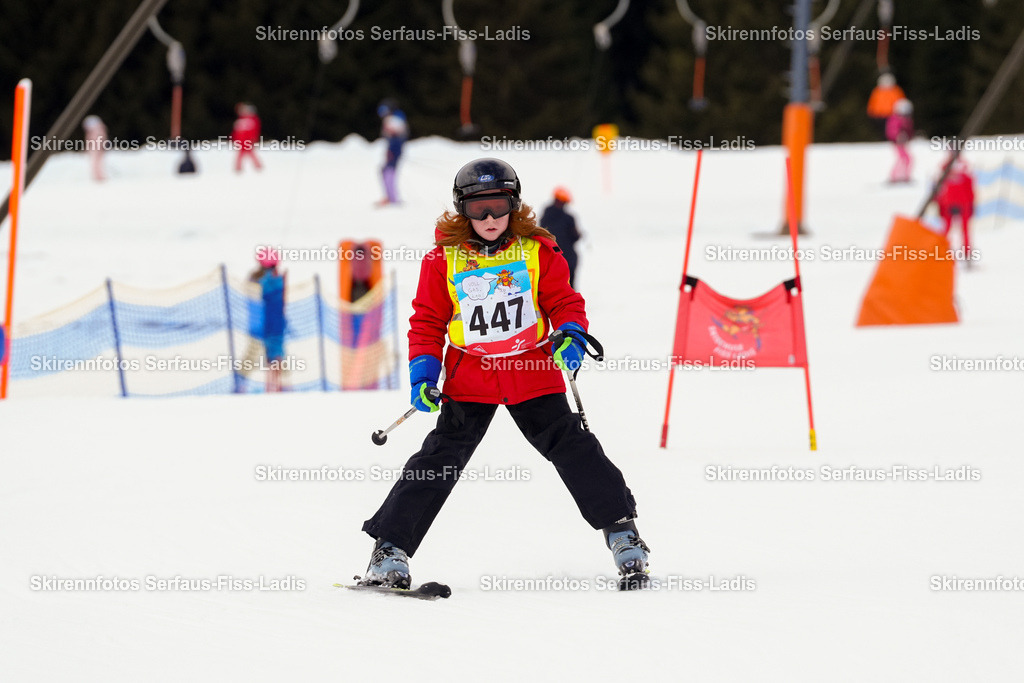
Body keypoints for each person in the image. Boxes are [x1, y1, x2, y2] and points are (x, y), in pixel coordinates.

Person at [358, 158, 650, 590]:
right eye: (478, 209)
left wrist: (570, 334)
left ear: (514, 204)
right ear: (462, 210)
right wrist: (424, 375)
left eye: (498, 206)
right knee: (438, 459)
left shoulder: (537, 250)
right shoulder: (444, 260)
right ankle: (390, 548)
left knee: (573, 447)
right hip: (470, 377)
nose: (490, 218)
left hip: (531, 372)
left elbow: (564, 302)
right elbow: (427, 322)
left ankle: (623, 533)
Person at [935, 155, 976, 264]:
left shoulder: (949, 167)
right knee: (954, 228)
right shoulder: (949, 167)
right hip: (957, 202)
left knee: (954, 229)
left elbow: (939, 189)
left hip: (956, 202)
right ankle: (942, 252)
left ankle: (943, 252)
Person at [539, 186, 583, 288]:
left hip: (554, 258)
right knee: (567, 287)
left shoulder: (546, 215)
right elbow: (575, 237)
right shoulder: (568, 218)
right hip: (564, 258)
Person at [375, 98, 409, 206]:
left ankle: (392, 198)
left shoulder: (394, 119)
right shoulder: (398, 117)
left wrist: (390, 151)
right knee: (387, 171)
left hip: (394, 149)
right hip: (395, 149)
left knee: (388, 171)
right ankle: (391, 197)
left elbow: (395, 134)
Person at [867, 72, 906, 140]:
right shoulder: (877, 91)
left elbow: (901, 102)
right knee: (882, 131)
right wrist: (871, 112)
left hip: (893, 115)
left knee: (892, 129)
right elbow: (873, 103)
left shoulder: (896, 91)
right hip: (880, 116)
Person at [885, 98, 914, 183]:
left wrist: (909, 137)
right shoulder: (896, 119)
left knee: (907, 159)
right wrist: (897, 136)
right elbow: (892, 130)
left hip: (903, 143)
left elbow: (909, 131)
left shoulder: (906, 120)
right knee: (903, 159)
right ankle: (895, 176)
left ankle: (904, 176)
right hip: (898, 143)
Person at [231, 103, 262, 173]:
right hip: (240, 140)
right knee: (241, 154)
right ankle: (238, 168)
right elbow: (236, 131)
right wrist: (234, 139)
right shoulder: (240, 120)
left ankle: (258, 166)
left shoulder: (253, 119)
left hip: (248, 140)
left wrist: (254, 138)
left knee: (250, 153)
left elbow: (256, 130)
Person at [82, 115, 108, 181]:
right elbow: (103, 139)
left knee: (96, 162)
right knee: (98, 162)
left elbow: (89, 140)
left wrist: (87, 147)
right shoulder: (101, 130)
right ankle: (99, 176)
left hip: (95, 148)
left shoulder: (94, 131)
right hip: (98, 148)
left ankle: (98, 176)